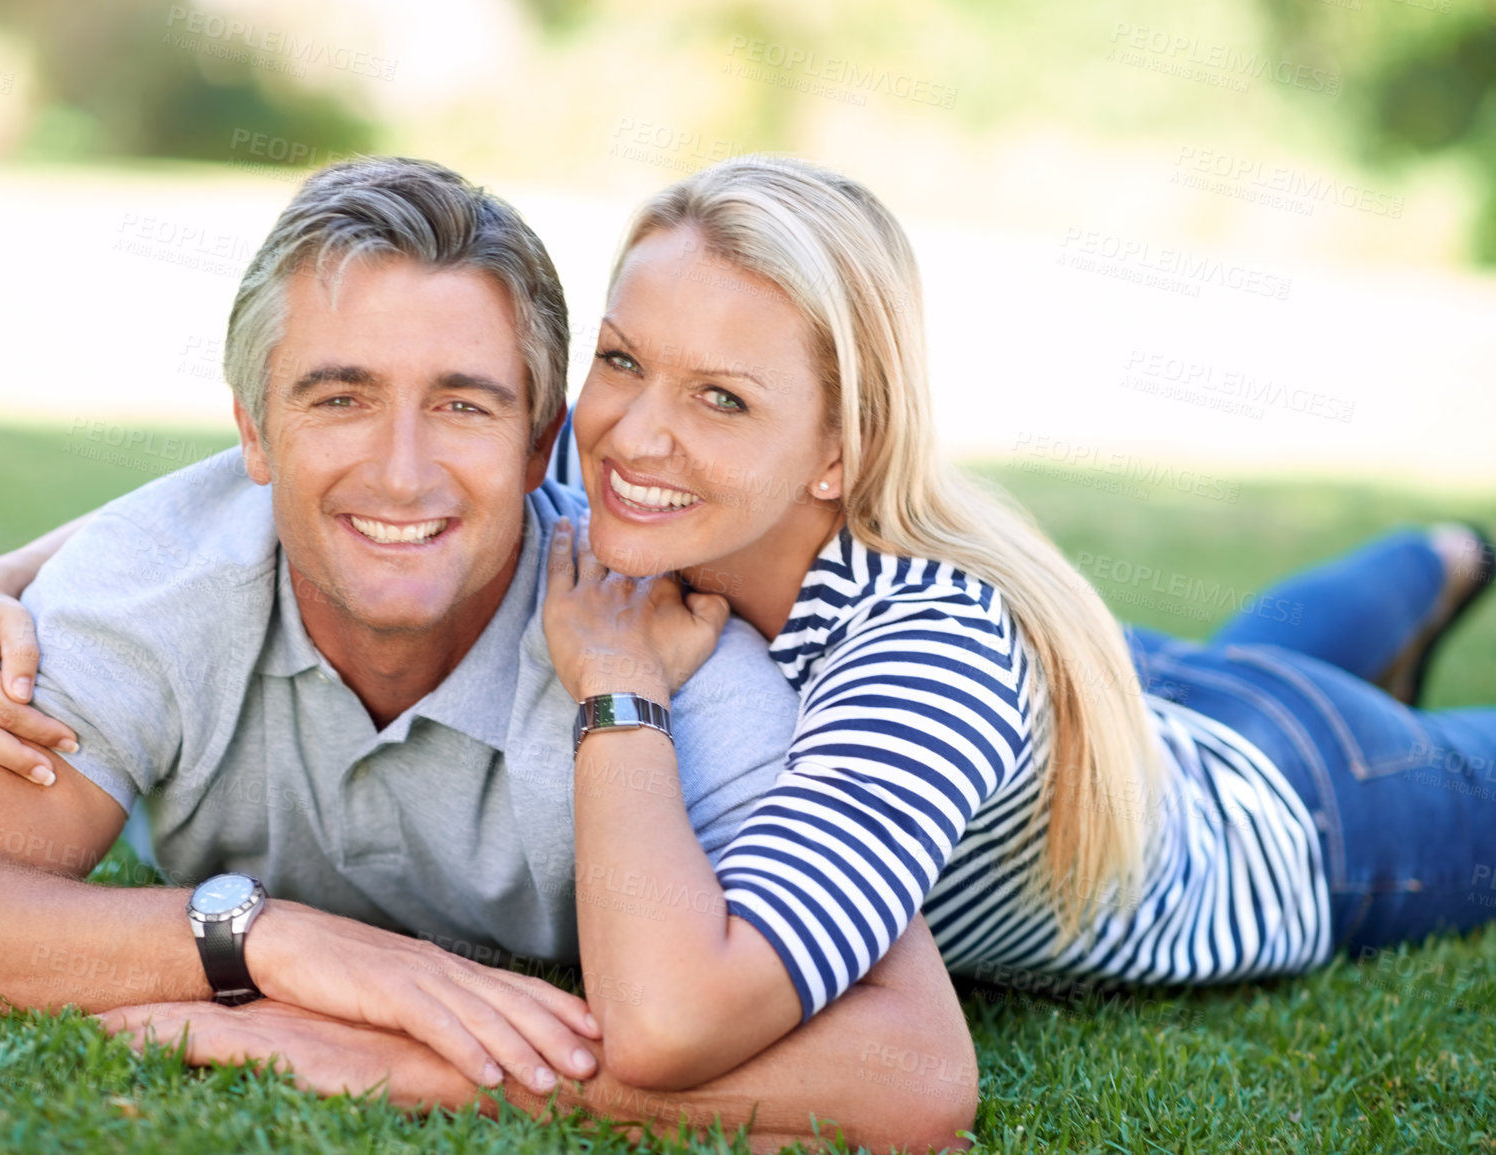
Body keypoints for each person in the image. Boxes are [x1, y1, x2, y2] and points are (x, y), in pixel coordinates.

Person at [0, 157, 975, 1154]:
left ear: (542, 443)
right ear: (252, 428)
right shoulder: (160, 579)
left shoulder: (665, 650)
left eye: (463, 406)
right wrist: (257, 938)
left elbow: (908, 1068)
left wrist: (402, 1056)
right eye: (340, 397)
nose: (401, 472)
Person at [530, 154, 1496, 1086]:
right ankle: (1443, 560)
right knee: (1238, 662)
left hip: (1305, 812)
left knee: (1300, 707)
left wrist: (621, 684)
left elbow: (673, 1022)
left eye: (721, 398)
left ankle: (1455, 554)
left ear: (840, 449)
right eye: (621, 358)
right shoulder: (621, 484)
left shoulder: (924, 657)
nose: (631, 432)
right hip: (1135, 695)